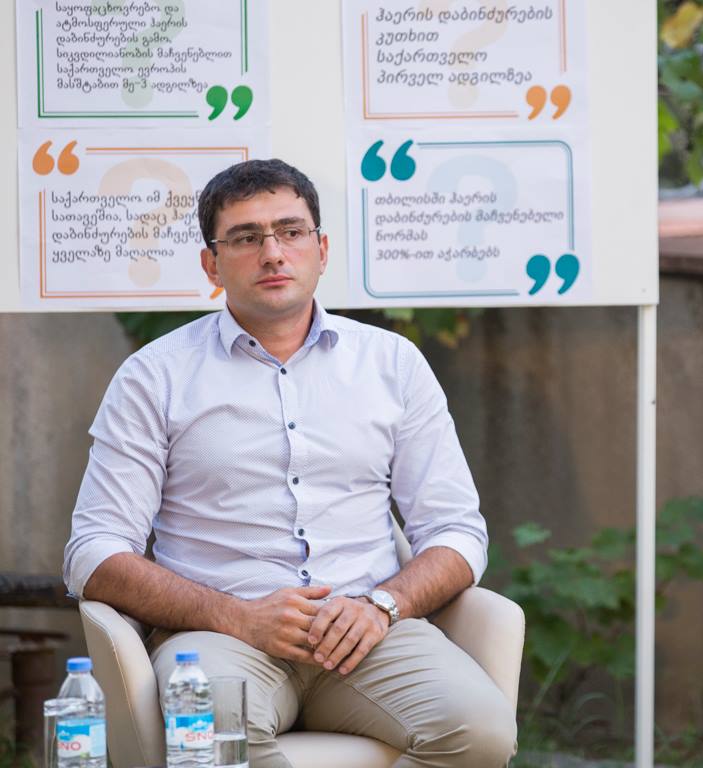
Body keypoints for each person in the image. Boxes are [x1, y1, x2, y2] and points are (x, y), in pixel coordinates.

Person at [63, 159, 517, 767]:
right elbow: (93, 552)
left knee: (482, 732)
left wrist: (382, 605)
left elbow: (456, 530)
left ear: (321, 250)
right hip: (216, 641)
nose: (273, 253)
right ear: (211, 264)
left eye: (291, 231)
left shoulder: (393, 364)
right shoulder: (155, 376)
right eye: (246, 237)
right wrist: (236, 616)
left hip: (369, 634)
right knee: (214, 734)